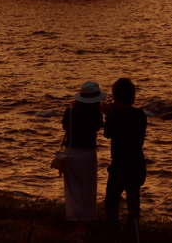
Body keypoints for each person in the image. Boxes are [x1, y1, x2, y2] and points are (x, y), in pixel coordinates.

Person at [101, 78, 147, 234]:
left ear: (117, 97)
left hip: (120, 166)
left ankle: (112, 232)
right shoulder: (140, 115)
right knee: (133, 202)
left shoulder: (116, 117)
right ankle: (133, 232)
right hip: (137, 165)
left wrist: (109, 115)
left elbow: (108, 133)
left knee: (111, 201)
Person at [62, 80, 107, 238]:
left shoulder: (70, 112)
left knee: (73, 189)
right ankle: (85, 225)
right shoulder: (97, 115)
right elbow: (96, 128)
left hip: (71, 152)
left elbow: (65, 128)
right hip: (88, 153)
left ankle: (78, 226)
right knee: (88, 189)